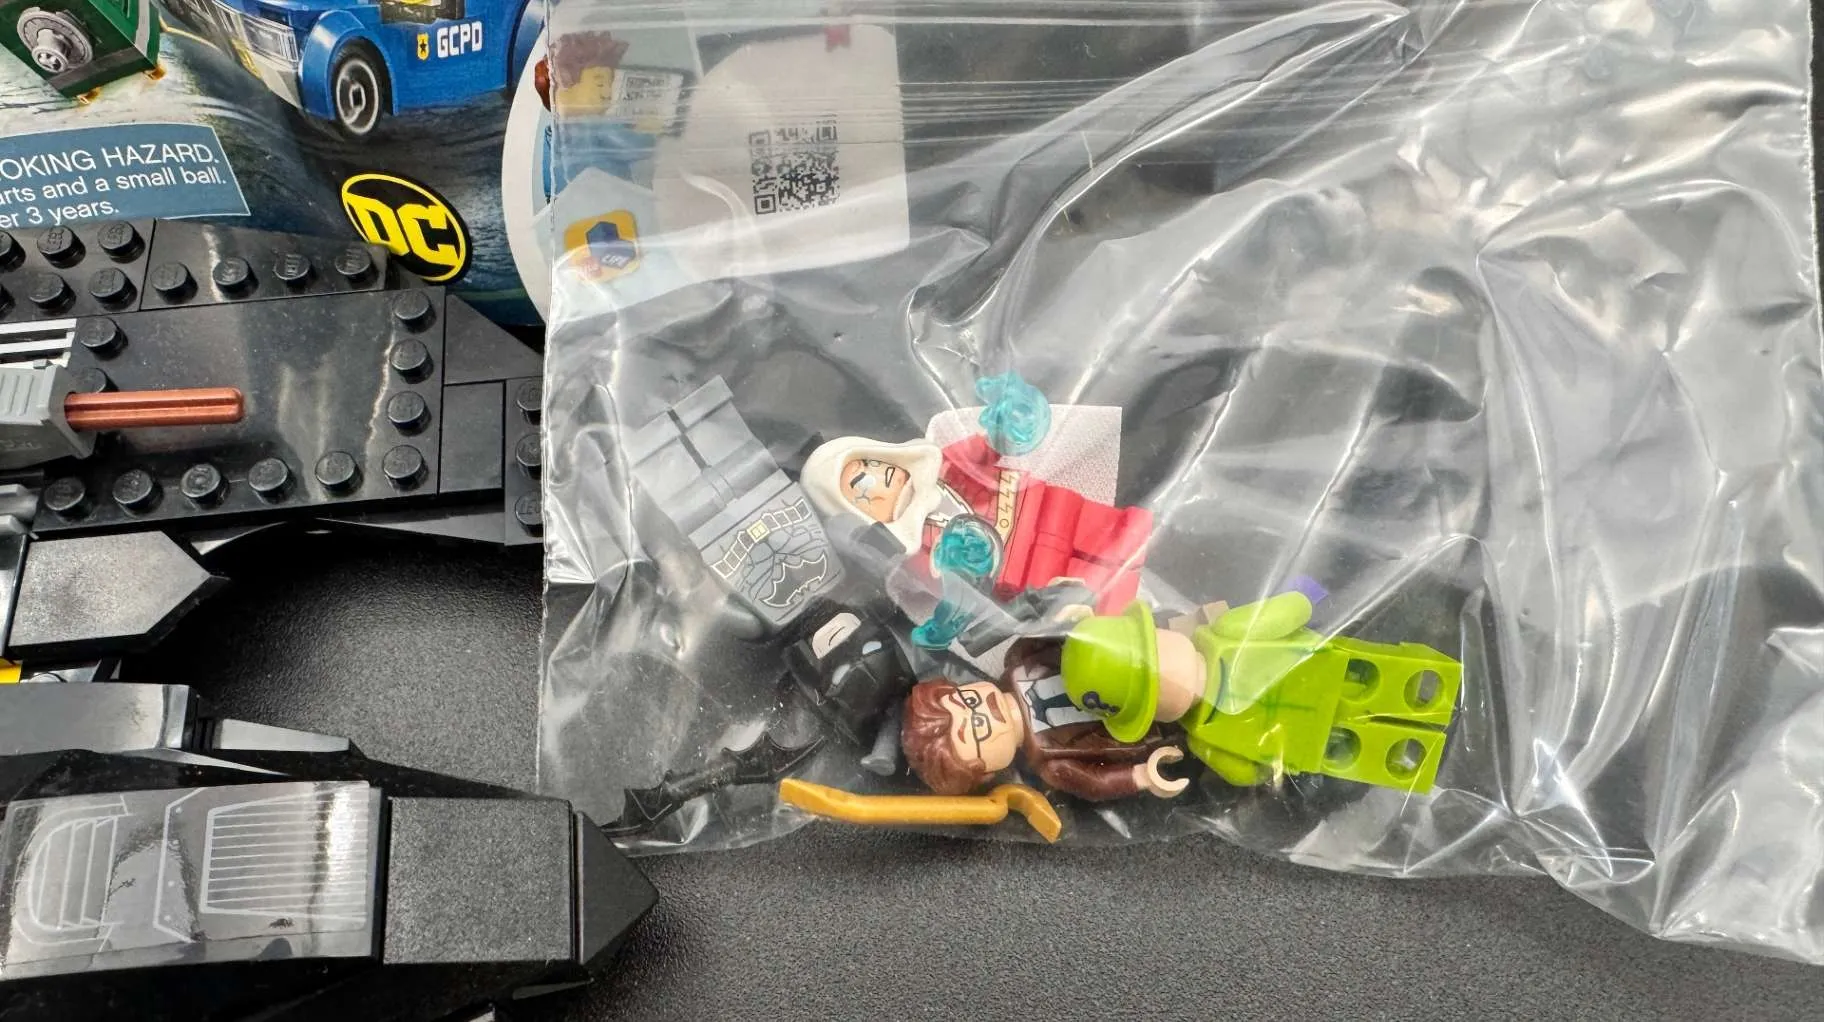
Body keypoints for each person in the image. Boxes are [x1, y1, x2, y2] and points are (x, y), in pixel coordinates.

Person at [898, 640, 1188, 802]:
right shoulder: (1055, 765)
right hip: (1157, 721)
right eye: (978, 728)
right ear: (989, 771)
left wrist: (1070, 617)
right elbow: (1096, 782)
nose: (985, 710)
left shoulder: (1019, 661)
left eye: (970, 701)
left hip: (1142, 654)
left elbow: (1050, 635)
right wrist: (1143, 776)